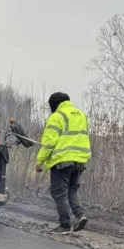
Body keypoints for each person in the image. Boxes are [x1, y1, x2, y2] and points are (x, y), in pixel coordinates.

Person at [35, 92, 92, 233]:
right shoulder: (81, 114)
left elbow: (49, 142)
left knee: (59, 192)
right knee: (72, 189)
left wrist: (39, 160)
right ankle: (80, 215)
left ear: (54, 105)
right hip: (80, 160)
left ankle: (65, 224)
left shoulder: (57, 116)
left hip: (63, 160)